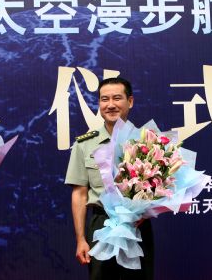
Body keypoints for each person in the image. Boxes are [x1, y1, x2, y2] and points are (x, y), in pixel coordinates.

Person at [65, 77, 154, 280]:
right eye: (105, 99)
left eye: (117, 98)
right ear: (99, 104)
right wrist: (80, 239)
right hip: (100, 224)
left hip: (137, 225)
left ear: (130, 101)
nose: (111, 105)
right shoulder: (85, 144)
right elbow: (79, 194)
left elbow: (163, 188)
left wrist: (147, 212)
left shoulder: (147, 140)